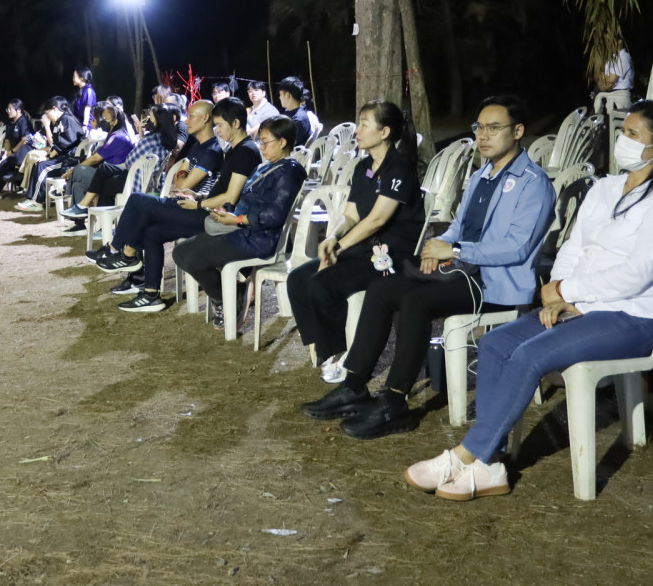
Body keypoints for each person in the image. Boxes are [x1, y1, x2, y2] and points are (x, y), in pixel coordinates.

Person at [404, 100, 653, 501]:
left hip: (633, 316)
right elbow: (575, 245)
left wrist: (569, 292)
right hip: (579, 305)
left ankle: (467, 455)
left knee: (529, 355)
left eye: (632, 134)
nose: (622, 140)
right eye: (622, 131)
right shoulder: (606, 188)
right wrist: (556, 288)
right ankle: (492, 463)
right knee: (495, 343)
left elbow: (638, 274)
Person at [301, 96, 556, 439]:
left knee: (416, 301)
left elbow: (517, 246)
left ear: (518, 131)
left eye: (494, 128)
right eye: (479, 127)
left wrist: (455, 248)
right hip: (460, 269)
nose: (483, 135)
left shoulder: (532, 182)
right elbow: (457, 227)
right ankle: (354, 386)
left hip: (495, 283)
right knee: (383, 287)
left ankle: (395, 403)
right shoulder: (481, 176)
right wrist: (438, 247)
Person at [286, 100, 424, 381]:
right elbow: (351, 214)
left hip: (393, 255)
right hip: (365, 249)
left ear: (384, 132)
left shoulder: (400, 167)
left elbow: (377, 220)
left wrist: (339, 247)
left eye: (364, 124)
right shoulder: (364, 167)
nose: (357, 130)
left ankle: (343, 355)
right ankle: (324, 349)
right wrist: (333, 237)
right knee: (298, 279)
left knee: (322, 283)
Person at [90, 97, 260, 318]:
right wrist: (200, 195)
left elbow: (231, 196)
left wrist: (198, 203)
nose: (217, 130)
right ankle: (150, 295)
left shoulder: (244, 151)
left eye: (219, 125)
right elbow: (221, 189)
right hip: (207, 209)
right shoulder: (235, 149)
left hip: (216, 218)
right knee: (152, 232)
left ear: (235, 123)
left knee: (139, 201)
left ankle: (120, 251)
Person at [172, 117, 307, 316]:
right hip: (242, 229)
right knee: (180, 252)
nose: (262, 148)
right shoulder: (268, 166)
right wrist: (227, 211)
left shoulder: (289, 172)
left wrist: (237, 220)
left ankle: (228, 299)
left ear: (282, 142)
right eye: (260, 142)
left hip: (260, 238)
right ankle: (231, 294)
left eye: (266, 142)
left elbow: (274, 215)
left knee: (195, 260)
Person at [78, 104, 178, 210]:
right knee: (105, 168)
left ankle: (86, 208)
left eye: (151, 119)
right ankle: (86, 207)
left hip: (136, 180)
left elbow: (130, 160)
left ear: (158, 121)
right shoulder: (167, 138)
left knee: (104, 183)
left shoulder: (151, 139)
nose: (148, 121)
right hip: (151, 180)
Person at [50, 102, 134, 223]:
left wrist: (73, 170)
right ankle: (79, 223)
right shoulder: (115, 134)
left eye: (105, 119)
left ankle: (63, 191)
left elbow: (96, 158)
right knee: (77, 184)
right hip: (106, 175)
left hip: (114, 178)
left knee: (79, 170)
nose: (102, 121)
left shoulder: (118, 137)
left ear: (114, 121)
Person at [13, 96, 86, 213]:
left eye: (47, 113)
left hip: (71, 160)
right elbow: (55, 144)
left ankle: (37, 202)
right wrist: (47, 156)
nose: (47, 116)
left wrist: (49, 157)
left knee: (43, 167)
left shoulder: (67, 120)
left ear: (54, 109)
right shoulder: (59, 122)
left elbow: (64, 143)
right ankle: (31, 199)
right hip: (63, 158)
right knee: (39, 164)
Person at [592, 47, 634, 114]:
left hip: (619, 98)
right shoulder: (610, 59)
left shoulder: (624, 57)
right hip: (607, 96)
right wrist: (606, 82)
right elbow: (600, 81)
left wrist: (606, 81)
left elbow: (611, 80)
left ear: (619, 42)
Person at [276, 76, 313, 147]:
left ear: (288, 95)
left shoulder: (298, 119)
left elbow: (285, 145)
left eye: (280, 94)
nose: (279, 97)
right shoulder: (292, 112)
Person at [72, 67, 97, 133]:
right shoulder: (82, 91)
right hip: (80, 123)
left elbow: (87, 108)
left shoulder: (88, 90)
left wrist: (85, 125)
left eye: (74, 76)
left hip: (87, 126)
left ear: (82, 78)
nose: (73, 78)